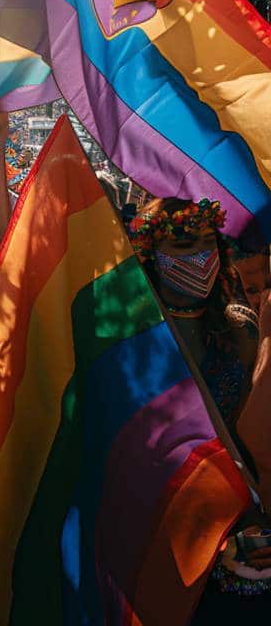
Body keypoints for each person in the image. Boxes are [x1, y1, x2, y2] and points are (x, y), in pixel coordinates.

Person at [130, 197, 271, 619]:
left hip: (239, 519)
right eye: (184, 246)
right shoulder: (133, 339)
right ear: (151, 254)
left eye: (208, 242)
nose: (200, 257)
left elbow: (254, 438)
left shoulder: (240, 327)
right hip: (161, 523)